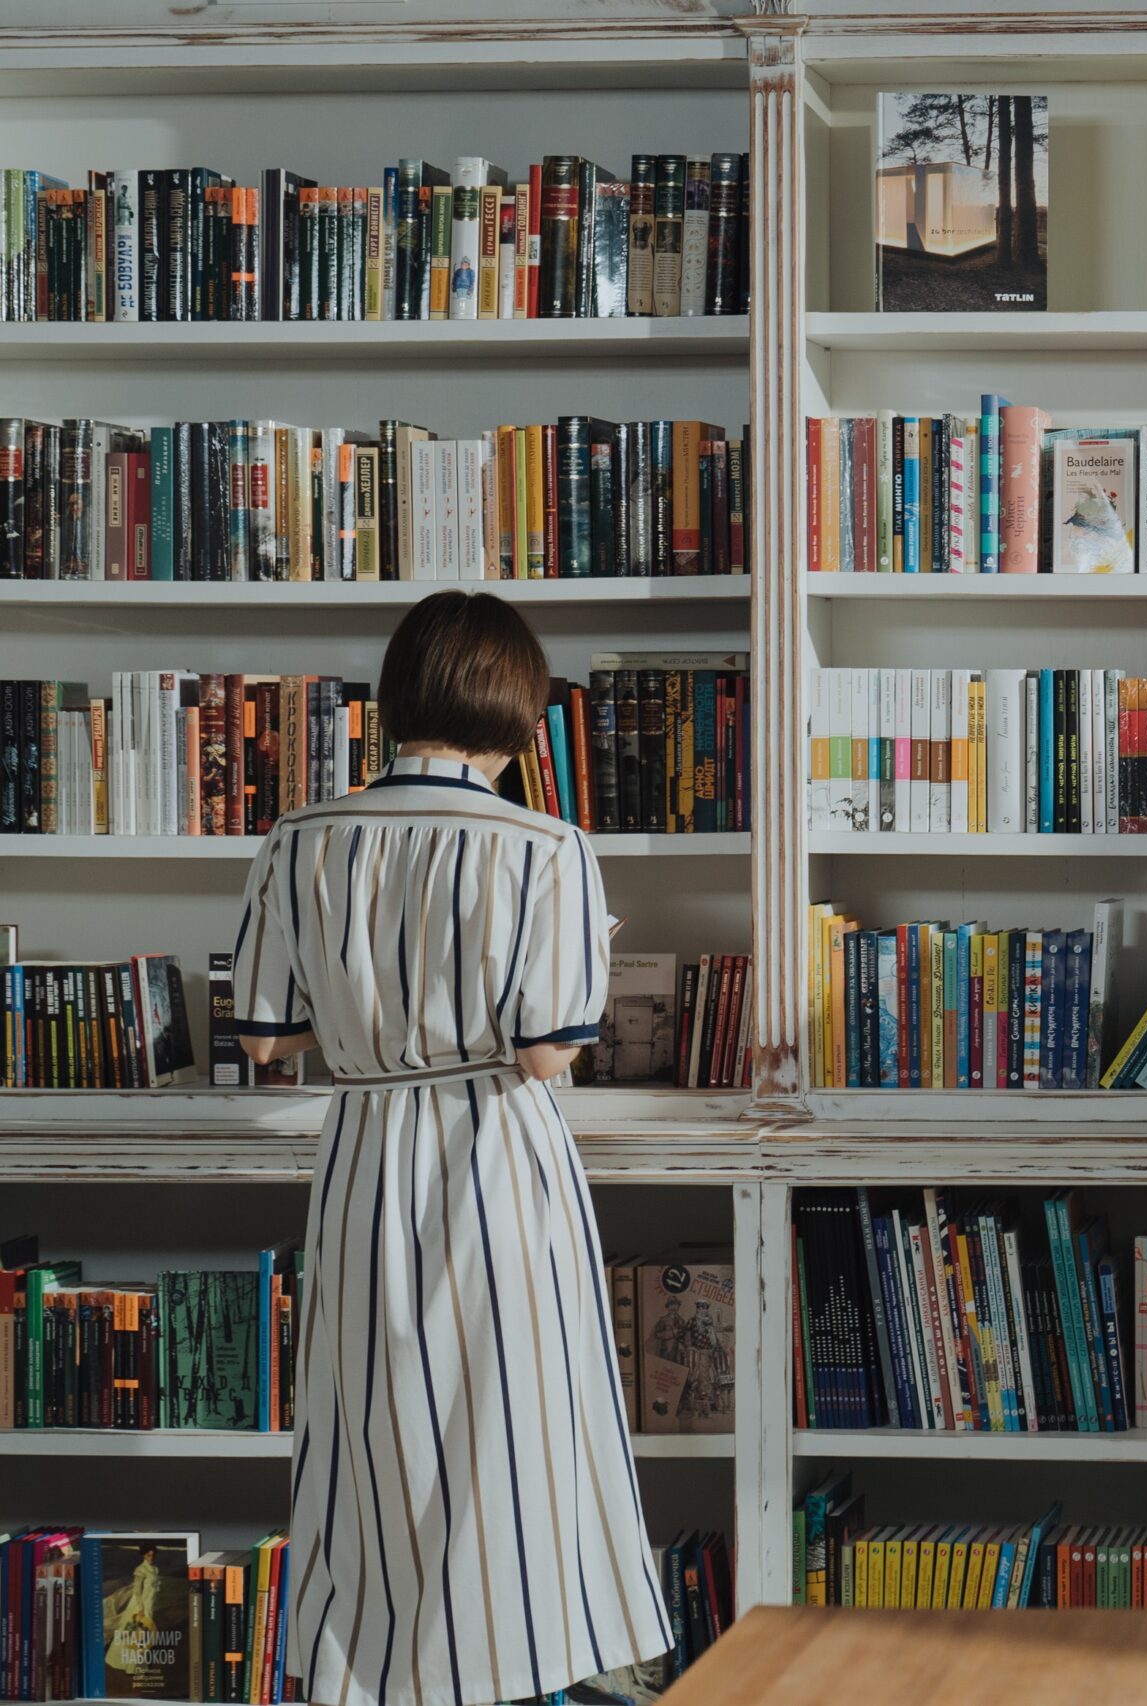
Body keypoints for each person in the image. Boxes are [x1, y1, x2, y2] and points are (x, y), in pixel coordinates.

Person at [233, 591, 670, 1706]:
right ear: (519, 708)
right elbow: (546, 1053)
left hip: (365, 1151)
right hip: (490, 1155)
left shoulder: (300, 838)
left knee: (367, 1434)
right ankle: (514, 1669)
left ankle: (370, 1672)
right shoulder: (546, 843)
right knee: (509, 1434)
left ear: (398, 696)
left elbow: (268, 1034)